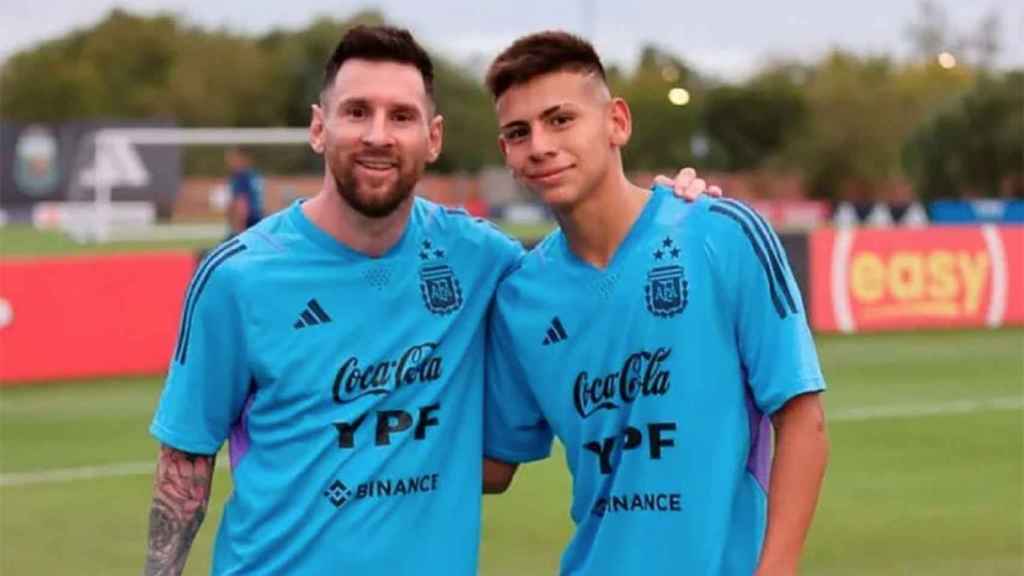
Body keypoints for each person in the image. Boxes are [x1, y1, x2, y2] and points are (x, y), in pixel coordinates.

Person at [143, 25, 715, 576]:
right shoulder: (236, 278)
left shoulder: (484, 261)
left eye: (401, 116)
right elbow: (183, 471)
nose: (377, 135)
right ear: (319, 128)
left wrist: (666, 208)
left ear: (433, 137)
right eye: (356, 111)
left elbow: (588, 273)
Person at [481, 31, 828, 576]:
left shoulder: (722, 234)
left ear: (616, 121)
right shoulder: (520, 298)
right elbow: (493, 467)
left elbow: (804, 420)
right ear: (508, 155)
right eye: (519, 132)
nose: (541, 145)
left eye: (561, 119)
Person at [224, 146, 264, 235]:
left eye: (232, 158)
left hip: (247, 222)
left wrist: (239, 228)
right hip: (258, 218)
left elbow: (242, 205)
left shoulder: (240, 176)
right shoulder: (255, 174)